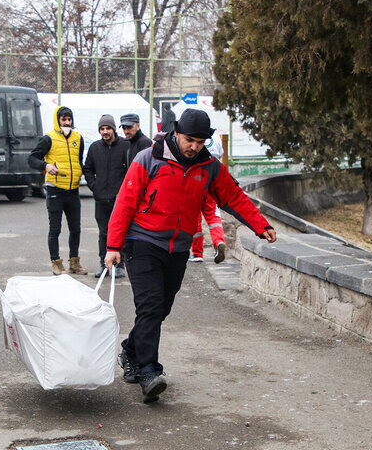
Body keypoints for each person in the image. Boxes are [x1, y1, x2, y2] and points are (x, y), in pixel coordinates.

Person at [105, 108, 276, 402]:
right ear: (175, 133)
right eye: (189, 139)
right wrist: (113, 246)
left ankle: (131, 351)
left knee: (161, 309)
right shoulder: (149, 158)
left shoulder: (209, 167)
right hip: (142, 242)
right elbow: (125, 202)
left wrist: (261, 225)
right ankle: (148, 371)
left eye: (200, 141)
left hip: (178, 248)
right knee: (151, 305)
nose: (194, 146)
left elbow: (233, 196)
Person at [28, 106, 87, 276]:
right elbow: (32, 158)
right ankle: (56, 263)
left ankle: (74, 262)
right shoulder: (49, 138)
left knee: (76, 229)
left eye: (69, 119)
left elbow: (79, 160)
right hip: (55, 190)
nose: (67, 122)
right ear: (58, 120)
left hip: (73, 190)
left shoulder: (78, 138)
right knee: (55, 229)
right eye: (63, 119)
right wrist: (45, 166)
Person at [83, 114, 128, 278]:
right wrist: (95, 187)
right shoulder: (95, 148)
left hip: (120, 200)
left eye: (108, 128)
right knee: (104, 233)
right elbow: (87, 169)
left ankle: (120, 264)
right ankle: (104, 264)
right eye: (102, 129)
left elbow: (130, 170)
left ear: (114, 129)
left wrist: (124, 191)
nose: (105, 131)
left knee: (120, 232)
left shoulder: (125, 146)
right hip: (101, 199)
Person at [190, 134, 227, 263]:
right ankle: (219, 242)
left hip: (196, 182)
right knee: (214, 218)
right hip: (212, 183)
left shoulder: (192, 138)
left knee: (195, 219)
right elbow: (220, 155)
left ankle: (197, 253)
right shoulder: (216, 138)